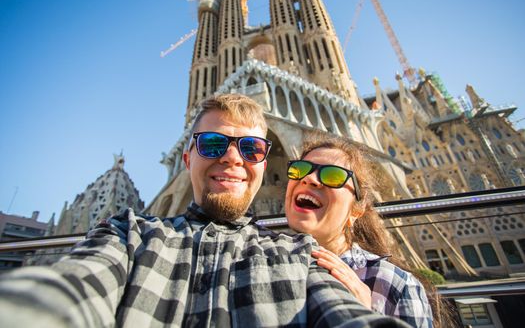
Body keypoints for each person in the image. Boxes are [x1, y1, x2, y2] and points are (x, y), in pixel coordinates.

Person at [0, 94, 410, 327]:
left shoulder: (296, 254)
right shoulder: (130, 236)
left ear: (266, 164)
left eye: (250, 148)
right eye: (214, 145)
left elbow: (345, 318)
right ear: (187, 158)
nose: (232, 158)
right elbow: (69, 291)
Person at [285, 133, 449, 328]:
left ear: (356, 210)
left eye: (333, 176)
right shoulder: (265, 265)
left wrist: (363, 316)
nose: (309, 178)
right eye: (300, 169)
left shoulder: (393, 285)